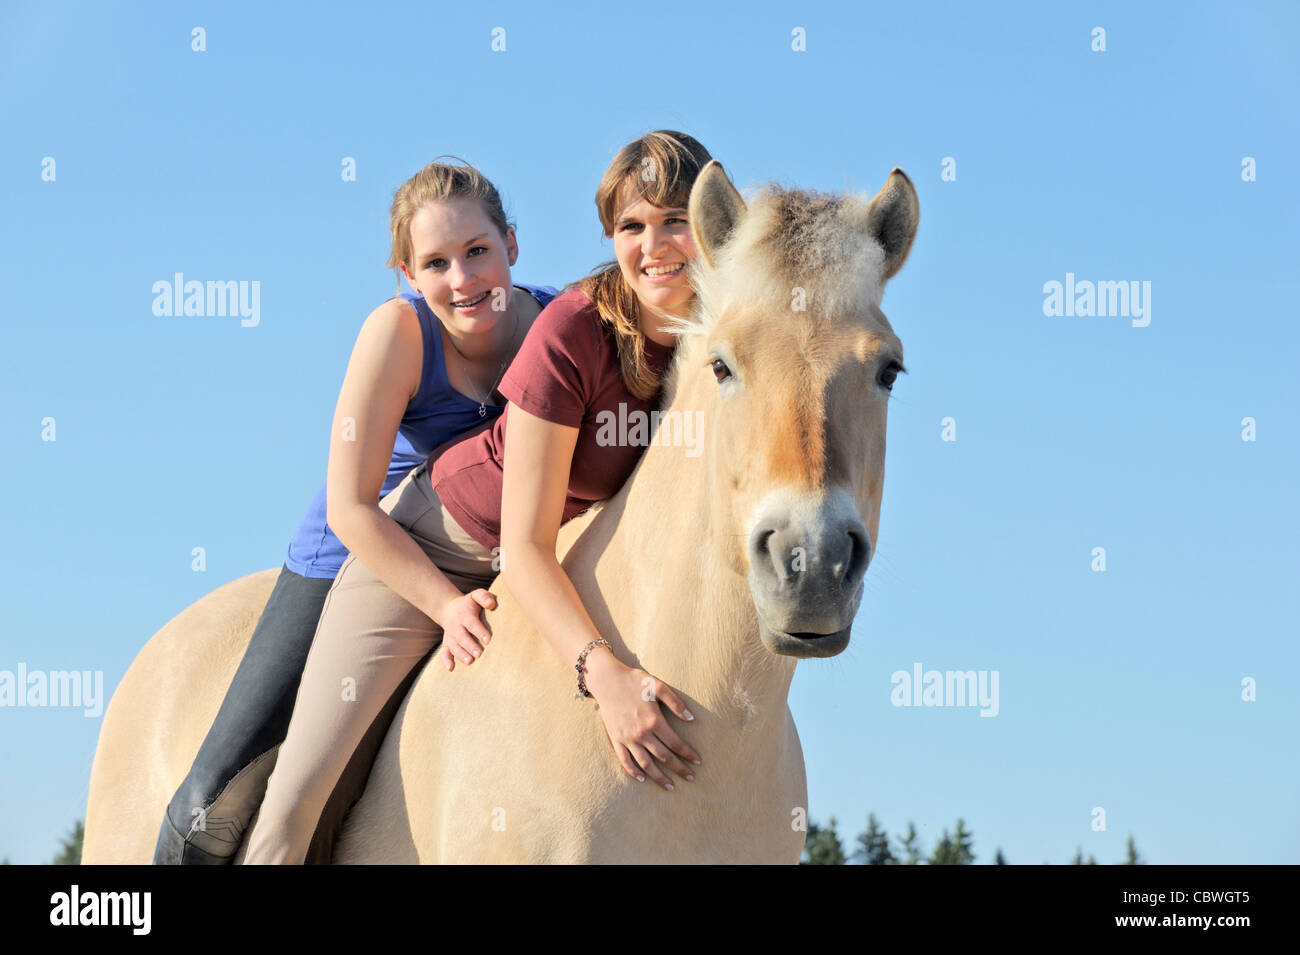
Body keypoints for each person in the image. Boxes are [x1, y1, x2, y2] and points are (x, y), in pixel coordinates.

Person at [242, 130, 715, 864]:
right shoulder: (575, 326)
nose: (655, 244)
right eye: (631, 225)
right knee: (299, 793)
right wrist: (595, 670)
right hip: (438, 541)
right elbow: (480, 538)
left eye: (675, 219)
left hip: (549, 545)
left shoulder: (711, 340)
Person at [153, 158, 557, 864]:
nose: (462, 279)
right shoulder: (399, 335)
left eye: (477, 251)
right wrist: (443, 605)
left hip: (489, 546)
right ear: (405, 273)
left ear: (512, 245)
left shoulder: (558, 326)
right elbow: (350, 506)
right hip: (357, 551)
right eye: (435, 262)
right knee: (212, 803)